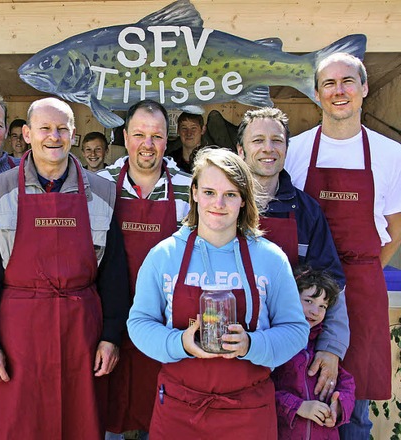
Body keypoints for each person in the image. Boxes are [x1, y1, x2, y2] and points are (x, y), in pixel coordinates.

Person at [0, 97, 129, 440]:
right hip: (16, 337)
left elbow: (115, 275)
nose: (53, 137)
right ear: (27, 133)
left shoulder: (102, 192)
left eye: (62, 129)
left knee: (78, 424)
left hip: (81, 333)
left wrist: (111, 336)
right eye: (44, 128)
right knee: (19, 425)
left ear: (73, 134)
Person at [128, 148, 309, 439]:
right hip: (178, 409)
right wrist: (179, 343)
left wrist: (252, 344)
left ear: (243, 200)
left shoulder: (270, 258)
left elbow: (296, 331)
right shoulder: (164, 255)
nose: (219, 204)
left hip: (248, 412)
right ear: (195, 193)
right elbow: (139, 324)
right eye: (210, 192)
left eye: (231, 194)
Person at [285, 52, 401, 438]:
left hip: (362, 291)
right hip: (305, 293)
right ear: (317, 94)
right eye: (329, 84)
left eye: (348, 81)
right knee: (299, 394)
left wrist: (360, 269)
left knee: (356, 412)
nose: (339, 91)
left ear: (364, 88)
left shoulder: (391, 154)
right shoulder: (296, 150)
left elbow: (395, 228)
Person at [236, 107, 350, 403]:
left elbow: (333, 283)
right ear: (240, 149)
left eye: (277, 140)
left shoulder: (307, 211)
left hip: (292, 352)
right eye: (258, 140)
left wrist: (331, 348)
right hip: (233, 345)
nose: (268, 149)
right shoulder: (223, 207)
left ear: (286, 148)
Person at [97, 100, 192, 440]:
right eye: (139, 134)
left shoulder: (190, 187)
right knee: (109, 414)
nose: (147, 145)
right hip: (110, 322)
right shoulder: (99, 184)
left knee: (163, 418)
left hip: (167, 324)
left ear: (168, 140)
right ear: (125, 136)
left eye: (156, 136)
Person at [272, 266, 356, 440]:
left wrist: (338, 407)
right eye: (309, 301)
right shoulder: (276, 342)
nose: (315, 312)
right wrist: (300, 407)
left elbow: (346, 383)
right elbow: (264, 390)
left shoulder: (321, 347)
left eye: (323, 306)